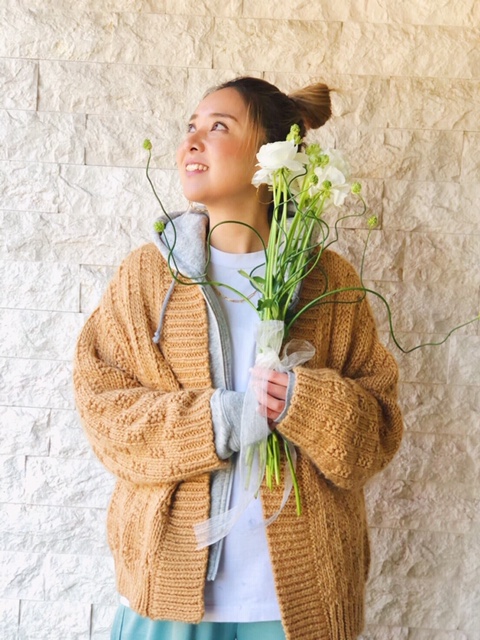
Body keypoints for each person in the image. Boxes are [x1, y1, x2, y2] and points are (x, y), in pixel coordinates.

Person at [73, 76, 403, 640]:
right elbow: (104, 415)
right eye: (190, 127)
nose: (192, 140)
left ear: (270, 156)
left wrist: (306, 405)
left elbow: (377, 435)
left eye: (218, 127)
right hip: (168, 594)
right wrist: (221, 420)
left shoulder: (328, 281)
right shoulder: (147, 277)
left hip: (297, 606)